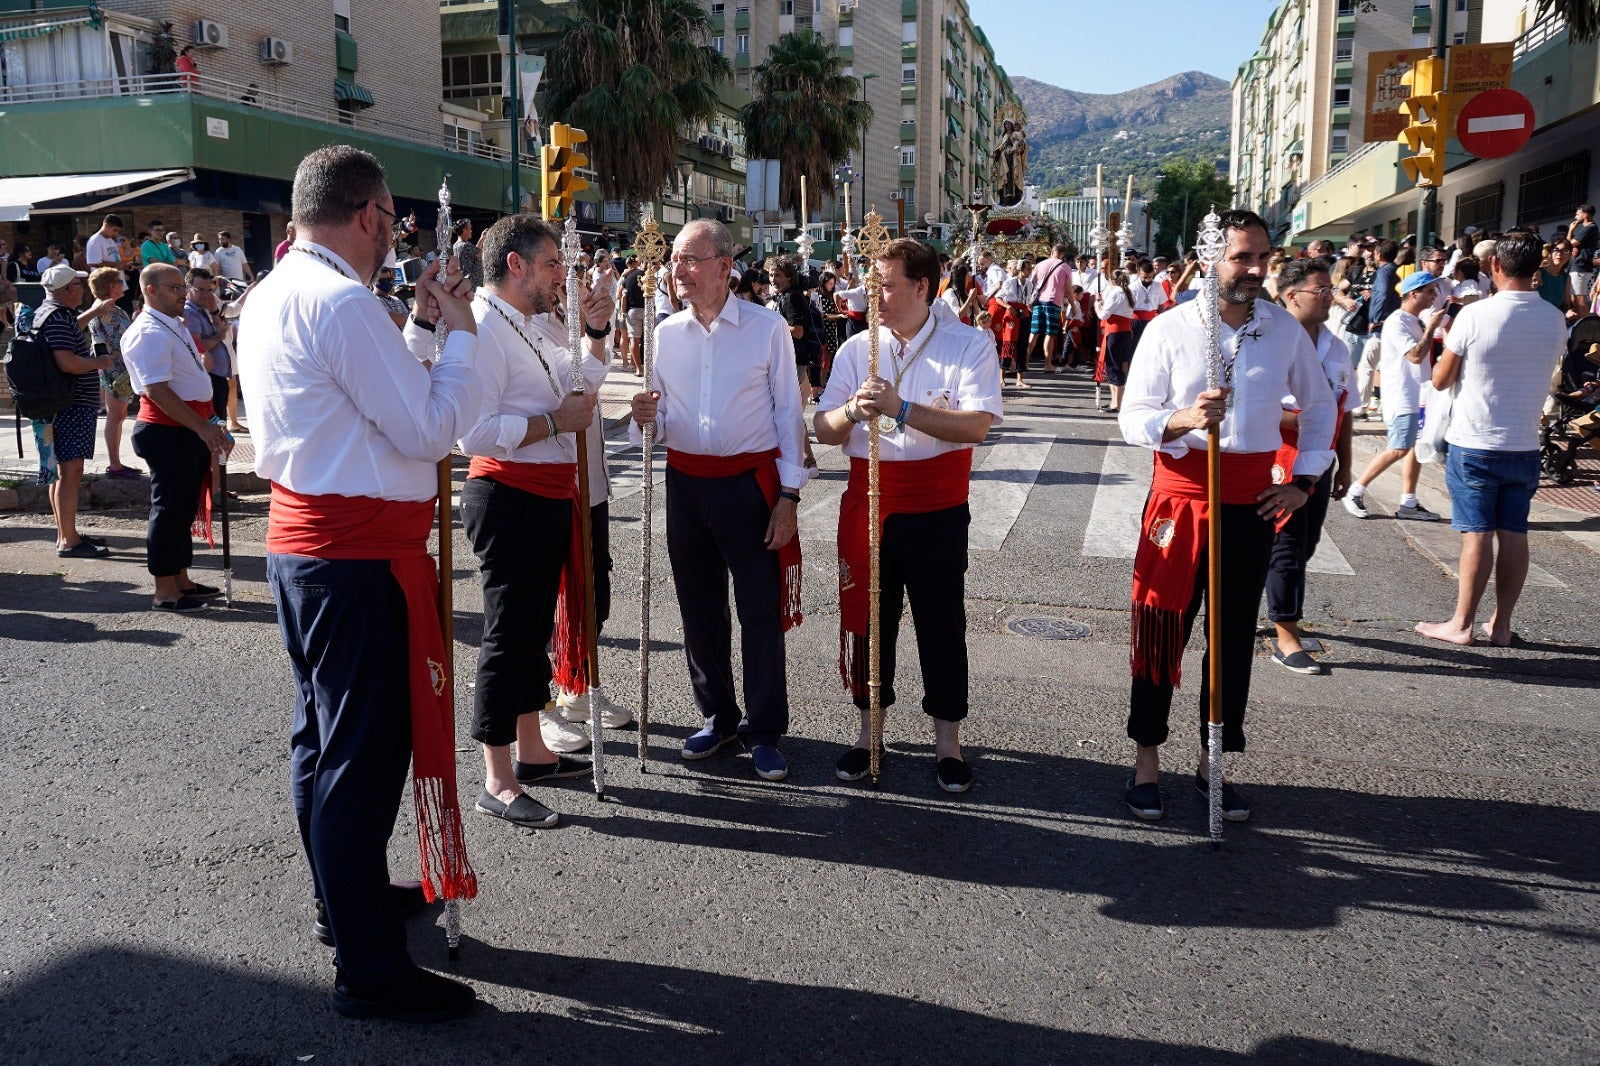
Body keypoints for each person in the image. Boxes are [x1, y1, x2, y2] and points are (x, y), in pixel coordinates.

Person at [236, 145, 481, 1023]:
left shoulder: (276, 291)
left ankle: (346, 907)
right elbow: (423, 431)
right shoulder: (340, 300)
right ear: (371, 215)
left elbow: (364, 404)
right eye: (391, 223)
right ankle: (368, 969)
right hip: (353, 559)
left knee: (323, 741)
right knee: (359, 758)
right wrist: (460, 340)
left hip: (313, 549)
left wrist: (418, 331)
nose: (394, 238)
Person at [1117, 209, 1334, 823]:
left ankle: (1215, 763)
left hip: (1250, 503)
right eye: (1243, 257)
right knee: (1161, 633)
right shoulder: (1169, 328)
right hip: (1181, 499)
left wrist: (1303, 482)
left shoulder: (1284, 330)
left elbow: (1320, 409)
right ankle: (1145, 765)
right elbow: (1133, 418)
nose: (1256, 269)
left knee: (1233, 639)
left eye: (1263, 256)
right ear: (1212, 258)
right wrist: (1182, 419)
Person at [813, 238, 1002, 793]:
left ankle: (948, 741)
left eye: (886, 284)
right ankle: (868, 731)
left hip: (936, 505)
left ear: (923, 287)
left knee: (941, 625)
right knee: (869, 621)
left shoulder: (968, 344)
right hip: (868, 501)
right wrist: (853, 411)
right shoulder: (856, 349)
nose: (875, 296)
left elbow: (976, 426)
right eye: (871, 284)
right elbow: (823, 430)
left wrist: (902, 409)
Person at [628, 219, 807, 782]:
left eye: (691, 260)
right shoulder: (665, 334)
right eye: (676, 261)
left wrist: (789, 495)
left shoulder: (765, 327)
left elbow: (787, 414)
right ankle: (718, 715)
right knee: (699, 609)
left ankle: (764, 728)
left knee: (759, 612)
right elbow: (648, 428)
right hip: (686, 483)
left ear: (725, 267)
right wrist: (641, 419)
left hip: (748, 484)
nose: (678, 272)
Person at [456, 215, 616, 828]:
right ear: (514, 265)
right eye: (552, 263)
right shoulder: (484, 329)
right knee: (509, 634)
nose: (562, 276)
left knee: (528, 634)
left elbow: (578, 385)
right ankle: (496, 778)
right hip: (508, 494)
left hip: (548, 492)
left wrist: (597, 334)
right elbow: (473, 432)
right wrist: (552, 426)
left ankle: (531, 751)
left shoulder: (529, 326)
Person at [1416, 231, 1568, 648]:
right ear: (1537, 268)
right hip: (1524, 443)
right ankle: (1500, 625)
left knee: (1477, 533)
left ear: (1495, 267)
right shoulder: (1555, 319)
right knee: (1514, 532)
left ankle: (1461, 624)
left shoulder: (1475, 315)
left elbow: (1441, 379)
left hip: (1476, 439)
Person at [121, 262, 233, 610]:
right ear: (150, 290)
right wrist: (201, 427)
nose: (182, 293)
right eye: (174, 288)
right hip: (168, 430)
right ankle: (164, 590)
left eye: (182, 287)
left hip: (190, 425)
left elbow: (193, 383)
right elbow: (157, 390)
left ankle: (181, 579)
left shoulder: (174, 324)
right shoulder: (148, 331)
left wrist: (211, 423)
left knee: (184, 507)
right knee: (169, 509)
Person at [1266, 259, 1359, 674]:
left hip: (1318, 462)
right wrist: (1308, 416)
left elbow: (1345, 410)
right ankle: (1286, 634)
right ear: (1292, 295)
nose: (1330, 298)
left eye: (1331, 290)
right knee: (1285, 546)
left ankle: (1274, 609)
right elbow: (1256, 408)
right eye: (1321, 290)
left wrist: (1345, 465)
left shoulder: (1336, 346)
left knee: (1304, 546)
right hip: (1276, 460)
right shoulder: (1267, 339)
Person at [1342, 271, 1449, 522]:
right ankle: (1354, 491)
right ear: (1414, 293)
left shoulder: (1413, 320)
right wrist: (1431, 327)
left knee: (1413, 450)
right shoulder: (1398, 321)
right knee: (1399, 448)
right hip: (1402, 397)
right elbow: (1414, 355)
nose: (1435, 295)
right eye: (1430, 291)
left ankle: (1408, 503)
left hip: (1418, 396)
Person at [35, 264, 120, 558]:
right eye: (79, 285)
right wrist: (99, 363)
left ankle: (65, 533)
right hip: (69, 407)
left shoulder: (49, 313)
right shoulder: (58, 318)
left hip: (58, 407)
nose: (83, 290)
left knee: (59, 473)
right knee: (70, 473)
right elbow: (67, 362)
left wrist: (94, 313)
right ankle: (69, 541)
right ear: (68, 289)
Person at [85, 267, 143, 480]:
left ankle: (116, 463)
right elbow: (104, 342)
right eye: (119, 281)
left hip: (119, 369)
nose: (122, 284)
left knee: (117, 416)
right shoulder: (104, 311)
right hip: (115, 370)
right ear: (110, 286)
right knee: (116, 415)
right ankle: (115, 464)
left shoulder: (111, 309)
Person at [181, 268, 234, 419]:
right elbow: (197, 346)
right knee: (215, 425)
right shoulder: (190, 312)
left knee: (220, 423)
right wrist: (219, 336)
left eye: (209, 290)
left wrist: (213, 311)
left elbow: (221, 326)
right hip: (209, 377)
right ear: (188, 288)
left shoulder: (202, 309)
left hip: (216, 376)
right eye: (201, 290)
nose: (206, 295)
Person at [1023, 244, 1072, 385]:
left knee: (1034, 332)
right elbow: (1068, 290)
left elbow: (1031, 283)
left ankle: (1025, 362)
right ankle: (1047, 364)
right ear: (1062, 254)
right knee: (1050, 333)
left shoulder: (1040, 265)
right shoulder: (1065, 268)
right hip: (1054, 302)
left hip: (1038, 302)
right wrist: (1073, 305)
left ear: (1052, 252)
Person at [1094, 269, 1136, 414]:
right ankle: (1115, 402)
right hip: (1124, 332)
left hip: (1116, 332)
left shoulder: (1116, 292)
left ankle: (1117, 403)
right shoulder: (1127, 292)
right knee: (1115, 365)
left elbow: (1104, 314)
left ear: (1112, 281)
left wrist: (1097, 305)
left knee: (1114, 366)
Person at [1568, 205, 1597, 313]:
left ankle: (1587, 326)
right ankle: (1579, 324)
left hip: (1581, 267)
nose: (1575, 217)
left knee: (1579, 301)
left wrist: (1571, 230)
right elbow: (1568, 245)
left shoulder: (1590, 228)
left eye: (1577, 214)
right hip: (1578, 267)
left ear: (1585, 214)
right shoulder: (1587, 228)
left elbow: (1570, 244)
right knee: (1574, 299)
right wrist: (1571, 232)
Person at [451, 218, 482, 288]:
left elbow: (475, 251)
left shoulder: (456, 245)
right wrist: (483, 239)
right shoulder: (466, 245)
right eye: (470, 228)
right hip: (471, 282)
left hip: (462, 280)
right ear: (464, 230)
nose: (471, 231)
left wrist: (482, 238)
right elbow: (479, 253)